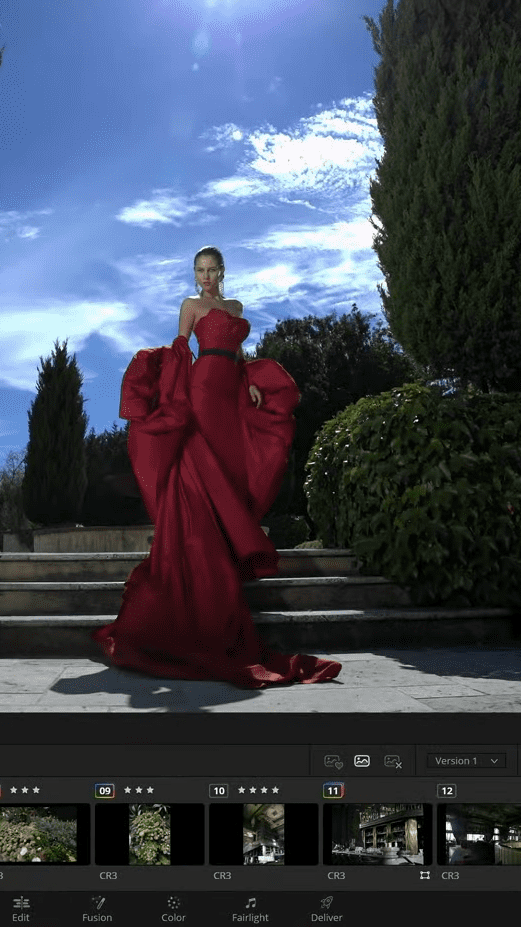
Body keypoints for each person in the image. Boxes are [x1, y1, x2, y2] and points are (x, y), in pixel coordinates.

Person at [92, 247, 342, 689]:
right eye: (199, 272)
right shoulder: (190, 308)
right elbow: (180, 352)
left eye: (212, 271)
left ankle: (224, 545)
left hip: (231, 392)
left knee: (232, 471)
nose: (205, 278)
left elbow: (240, 355)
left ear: (222, 272)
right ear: (194, 274)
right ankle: (209, 560)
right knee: (201, 470)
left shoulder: (236, 308)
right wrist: (173, 397)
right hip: (203, 389)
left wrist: (252, 387)